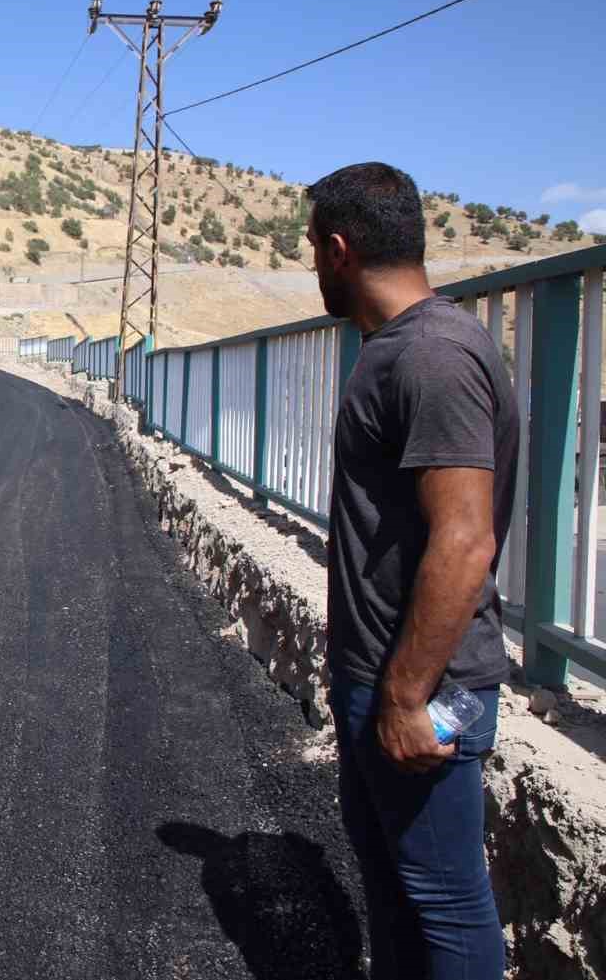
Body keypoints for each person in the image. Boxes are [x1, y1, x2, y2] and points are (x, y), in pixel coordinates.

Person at [312, 162, 515, 979]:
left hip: (423, 689)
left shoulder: (430, 357)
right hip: (382, 680)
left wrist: (403, 696)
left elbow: (465, 541)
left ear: (339, 248)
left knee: (446, 905)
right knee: (396, 894)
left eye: (312, 251)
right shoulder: (402, 349)